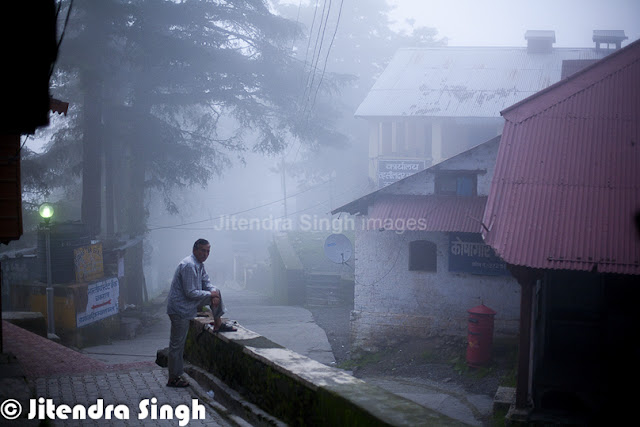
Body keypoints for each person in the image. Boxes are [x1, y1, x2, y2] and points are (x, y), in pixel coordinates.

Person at [166, 238, 235, 388]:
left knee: (217, 291)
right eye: (203, 250)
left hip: (188, 305)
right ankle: (173, 378)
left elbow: (206, 282)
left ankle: (218, 324)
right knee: (177, 345)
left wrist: (213, 292)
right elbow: (190, 292)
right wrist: (211, 295)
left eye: (208, 251)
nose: (205, 254)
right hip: (180, 309)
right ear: (195, 250)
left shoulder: (199, 265)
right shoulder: (189, 265)